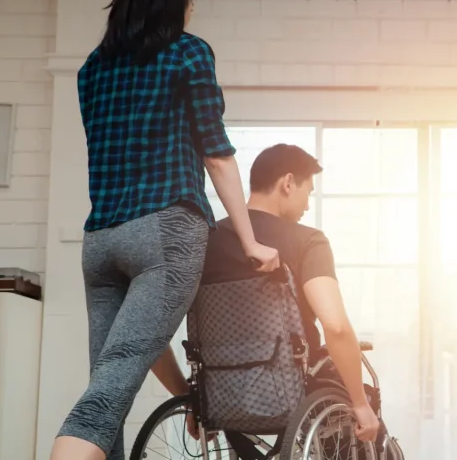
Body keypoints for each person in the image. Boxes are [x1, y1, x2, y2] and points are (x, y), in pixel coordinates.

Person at [7, 0, 278, 460]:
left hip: (102, 242)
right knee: (106, 396)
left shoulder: (91, 69)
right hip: (167, 231)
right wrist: (251, 242)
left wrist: (184, 390)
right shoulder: (187, 54)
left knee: (107, 392)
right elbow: (218, 155)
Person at [151, 143, 380, 444]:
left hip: (220, 393)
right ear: (287, 183)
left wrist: (189, 397)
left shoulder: (202, 243)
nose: (307, 206)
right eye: (308, 192)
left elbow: (151, 334)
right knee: (361, 393)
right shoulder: (307, 241)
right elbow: (335, 326)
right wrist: (361, 404)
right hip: (295, 390)